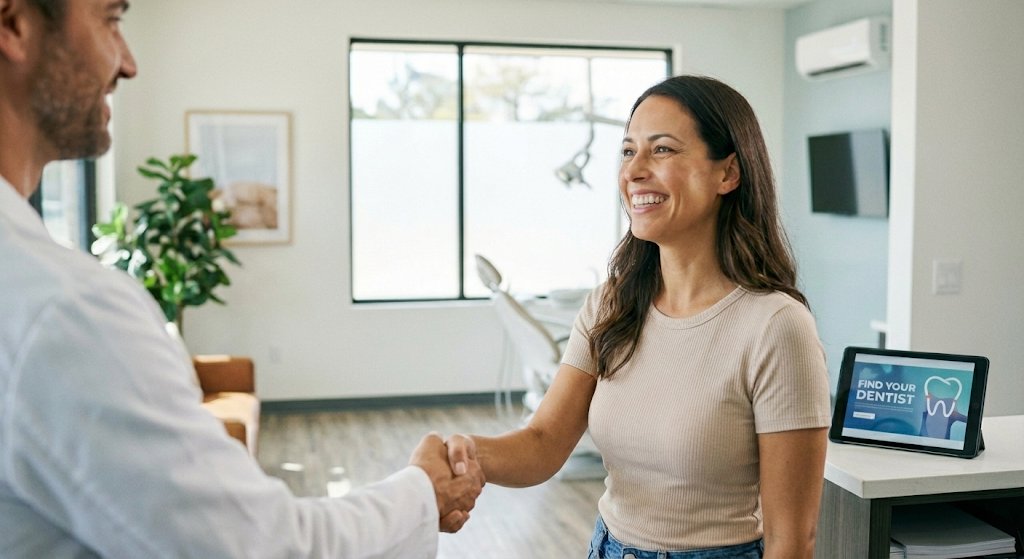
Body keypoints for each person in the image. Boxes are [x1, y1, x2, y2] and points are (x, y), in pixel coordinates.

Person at [0, 0, 482, 557]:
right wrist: (422, 489)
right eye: (111, 19)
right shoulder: (64, 309)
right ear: (13, 23)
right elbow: (263, 549)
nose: (128, 63)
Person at [445, 76, 832, 559]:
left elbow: (791, 541)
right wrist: (460, 453)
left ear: (728, 173)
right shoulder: (611, 304)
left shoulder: (776, 327)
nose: (634, 171)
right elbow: (543, 443)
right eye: (628, 151)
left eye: (662, 150)